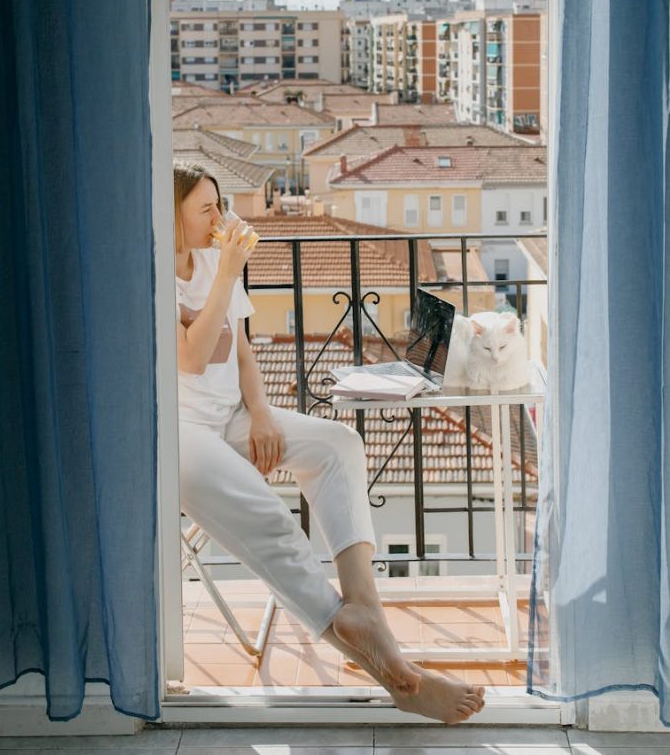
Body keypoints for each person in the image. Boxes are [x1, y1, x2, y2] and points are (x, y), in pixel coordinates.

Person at [173, 161, 485, 723]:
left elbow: (241, 346)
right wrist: (227, 271)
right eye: (206, 209)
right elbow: (191, 357)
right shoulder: (153, 276)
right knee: (273, 520)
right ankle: (395, 675)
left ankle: (364, 607)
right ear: (170, 217)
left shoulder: (212, 261)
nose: (220, 217)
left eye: (220, 204)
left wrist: (263, 413)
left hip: (233, 417)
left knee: (339, 443)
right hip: (178, 435)